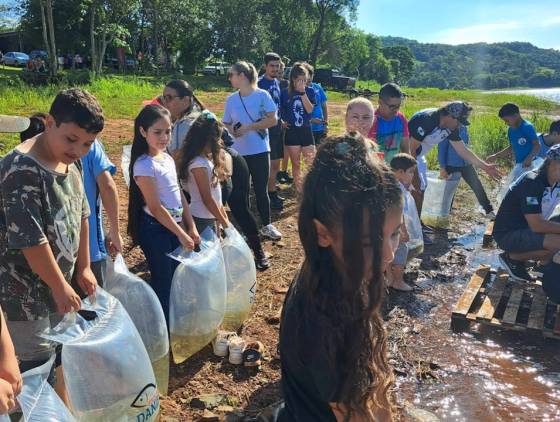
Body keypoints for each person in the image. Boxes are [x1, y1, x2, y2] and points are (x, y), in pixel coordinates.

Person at [279, 133, 399, 421]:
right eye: (369, 243)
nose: (389, 256)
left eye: (394, 234)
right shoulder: (325, 323)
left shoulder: (333, 272)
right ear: (322, 233)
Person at [0, 88, 101, 390]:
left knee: (60, 355)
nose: (78, 150)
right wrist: (59, 285)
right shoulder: (20, 170)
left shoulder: (71, 159)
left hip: (61, 287)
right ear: (49, 122)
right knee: (35, 368)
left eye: (88, 144)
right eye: (72, 139)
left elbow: (82, 213)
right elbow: (32, 240)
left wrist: (83, 266)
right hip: (25, 296)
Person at [161, 79, 270, 270]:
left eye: (170, 98)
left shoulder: (188, 123)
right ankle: (241, 257)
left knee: (228, 212)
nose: (165, 102)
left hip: (223, 171)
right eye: (164, 98)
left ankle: (252, 254)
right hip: (218, 169)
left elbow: (179, 156)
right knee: (229, 213)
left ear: (186, 100)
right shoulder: (186, 119)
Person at [127, 104, 200, 321]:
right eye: (157, 132)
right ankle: (164, 329)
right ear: (143, 132)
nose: (164, 137)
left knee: (178, 276)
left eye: (168, 131)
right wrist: (181, 233)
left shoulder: (166, 158)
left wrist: (191, 225)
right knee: (163, 280)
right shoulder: (143, 165)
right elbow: (156, 208)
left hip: (175, 227)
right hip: (156, 229)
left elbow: (179, 195)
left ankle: (176, 321)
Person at [408, 102, 501, 217]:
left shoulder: (450, 128)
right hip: (405, 153)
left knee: (420, 190)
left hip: (418, 155)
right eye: (459, 122)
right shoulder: (428, 120)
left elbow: (463, 151)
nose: (460, 126)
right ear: (450, 116)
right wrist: (414, 175)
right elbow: (410, 149)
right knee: (414, 188)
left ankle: (418, 225)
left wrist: (485, 166)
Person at [223, 61, 282, 240]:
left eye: (231, 74)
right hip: (238, 152)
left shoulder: (262, 95)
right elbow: (225, 122)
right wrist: (231, 130)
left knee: (260, 189)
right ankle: (248, 228)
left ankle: (266, 225)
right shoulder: (231, 99)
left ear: (242, 76)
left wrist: (248, 127)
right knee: (241, 191)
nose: (229, 78)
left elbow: (273, 120)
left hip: (259, 150)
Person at [493, 144, 560, 282]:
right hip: (508, 234)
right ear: (550, 163)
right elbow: (537, 225)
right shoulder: (532, 183)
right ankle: (512, 258)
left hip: (528, 229)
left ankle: (542, 264)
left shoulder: (556, 181)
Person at [178, 111, 229, 234]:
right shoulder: (198, 165)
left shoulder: (204, 160)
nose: (219, 142)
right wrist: (224, 223)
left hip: (210, 216)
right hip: (202, 219)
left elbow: (216, 197)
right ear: (207, 140)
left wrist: (224, 219)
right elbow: (207, 199)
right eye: (217, 139)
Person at [81, 138, 122, 287]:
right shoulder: (91, 143)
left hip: (55, 250)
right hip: (89, 249)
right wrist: (115, 231)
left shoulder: (42, 141)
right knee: (94, 303)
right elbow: (107, 186)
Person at [438, 126, 495, 217]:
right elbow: (441, 149)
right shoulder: (447, 129)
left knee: (477, 186)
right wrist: (442, 167)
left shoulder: (464, 128)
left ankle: (488, 210)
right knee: (449, 191)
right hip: (452, 165)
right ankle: (444, 213)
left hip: (466, 164)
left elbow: (466, 147)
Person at [280, 62, 316, 192]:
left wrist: (303, 93)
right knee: (295, 162)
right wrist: (282, 121)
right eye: (300, 80)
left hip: (306, 130)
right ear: (293, 79)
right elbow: (281, 111)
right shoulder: (285, 93)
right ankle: (299, 189)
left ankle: (311, 188)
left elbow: (310, 109)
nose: (303, 82)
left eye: (304, 80)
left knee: (311, 162)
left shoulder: (310, 91)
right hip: (292, 131)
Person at [258, 52, 285, 210]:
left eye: (277, 66)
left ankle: (271, 191)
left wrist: (280, 119)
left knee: (275, 164)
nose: (275, 68)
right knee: (266, 165)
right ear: (265, 66)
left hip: (276, 129)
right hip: (263, 131)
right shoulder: (259, 84)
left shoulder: (277, 82)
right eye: (272, 66)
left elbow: (276, 105)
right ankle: (266, 194)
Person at [387, 153, 417, 292]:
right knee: (401, 250)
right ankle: (398, 281)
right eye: (410, 172)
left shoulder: (387, 182)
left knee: (388, 251)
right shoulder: (399, 190)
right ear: (400, 172)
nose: (412, 175)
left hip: (384, 227)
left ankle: (389, 279)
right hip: (395, 227)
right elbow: (400, 214)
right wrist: (403, 231)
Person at [487, 103, 540, 168]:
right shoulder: (510, 130)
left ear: (516, 115)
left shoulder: (527, 127)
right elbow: (512, 148)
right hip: (520, 165)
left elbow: (537, 145)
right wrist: (496, 156)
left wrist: (529, 158)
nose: (506, 123)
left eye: (507, 120)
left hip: (532, 164)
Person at [369, 83, 410, 164]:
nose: (396, 110)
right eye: (392, 106)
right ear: (380, 102)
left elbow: (406, 151)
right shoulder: (371, 121)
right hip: (376, 169)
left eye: (398, 106)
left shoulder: (401, 119)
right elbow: (369, 154)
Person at [302, 63, 328, 145]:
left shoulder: (318, 87)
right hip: (306, 128)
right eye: (307, 75)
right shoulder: (300, 90)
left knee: (320, 153)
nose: (309, 78)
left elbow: (324, 107)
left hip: (320, 128)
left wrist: (326, 124)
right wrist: (312, 120)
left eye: (311, 74)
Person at [277, 60, 293, 185]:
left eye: (281, 70)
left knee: (285, 147)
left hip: (285, 120)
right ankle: (275, 172)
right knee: (274, 149)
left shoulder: (285, 84)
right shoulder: (266, 83)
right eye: (278, 69)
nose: (279, 72)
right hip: (273, 120)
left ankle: (283, 171)